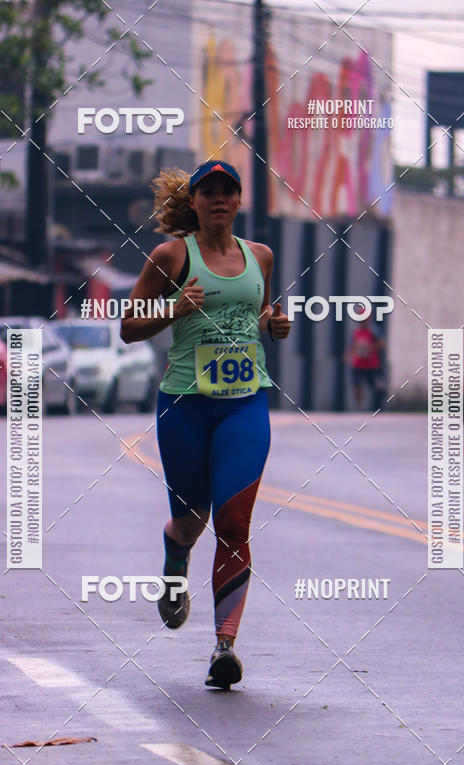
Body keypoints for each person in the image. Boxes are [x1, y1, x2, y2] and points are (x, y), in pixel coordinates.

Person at [120, 160, 291, 689]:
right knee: (192, 522)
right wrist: (175, 309)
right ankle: (176, 557)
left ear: (239, 201)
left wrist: (274, 324)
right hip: (185, 407)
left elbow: (257, 313)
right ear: (192, 201)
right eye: (208, 191)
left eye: (228, 191)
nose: (219, 198)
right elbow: (129, 327)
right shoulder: (171, 256)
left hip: (245, 403)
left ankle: (224, 647)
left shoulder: (259, 256)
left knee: (234, 525)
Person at [344, 310, 384, 410]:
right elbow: (352, 346)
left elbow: (382, 344)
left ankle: (378, 406)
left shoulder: (374, 331)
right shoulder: (355, 332)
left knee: (376, 386)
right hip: (358, 364)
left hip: (371, 364)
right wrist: (348, 355)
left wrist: (371, 347)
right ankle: (359, 406)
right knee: (356, 384)